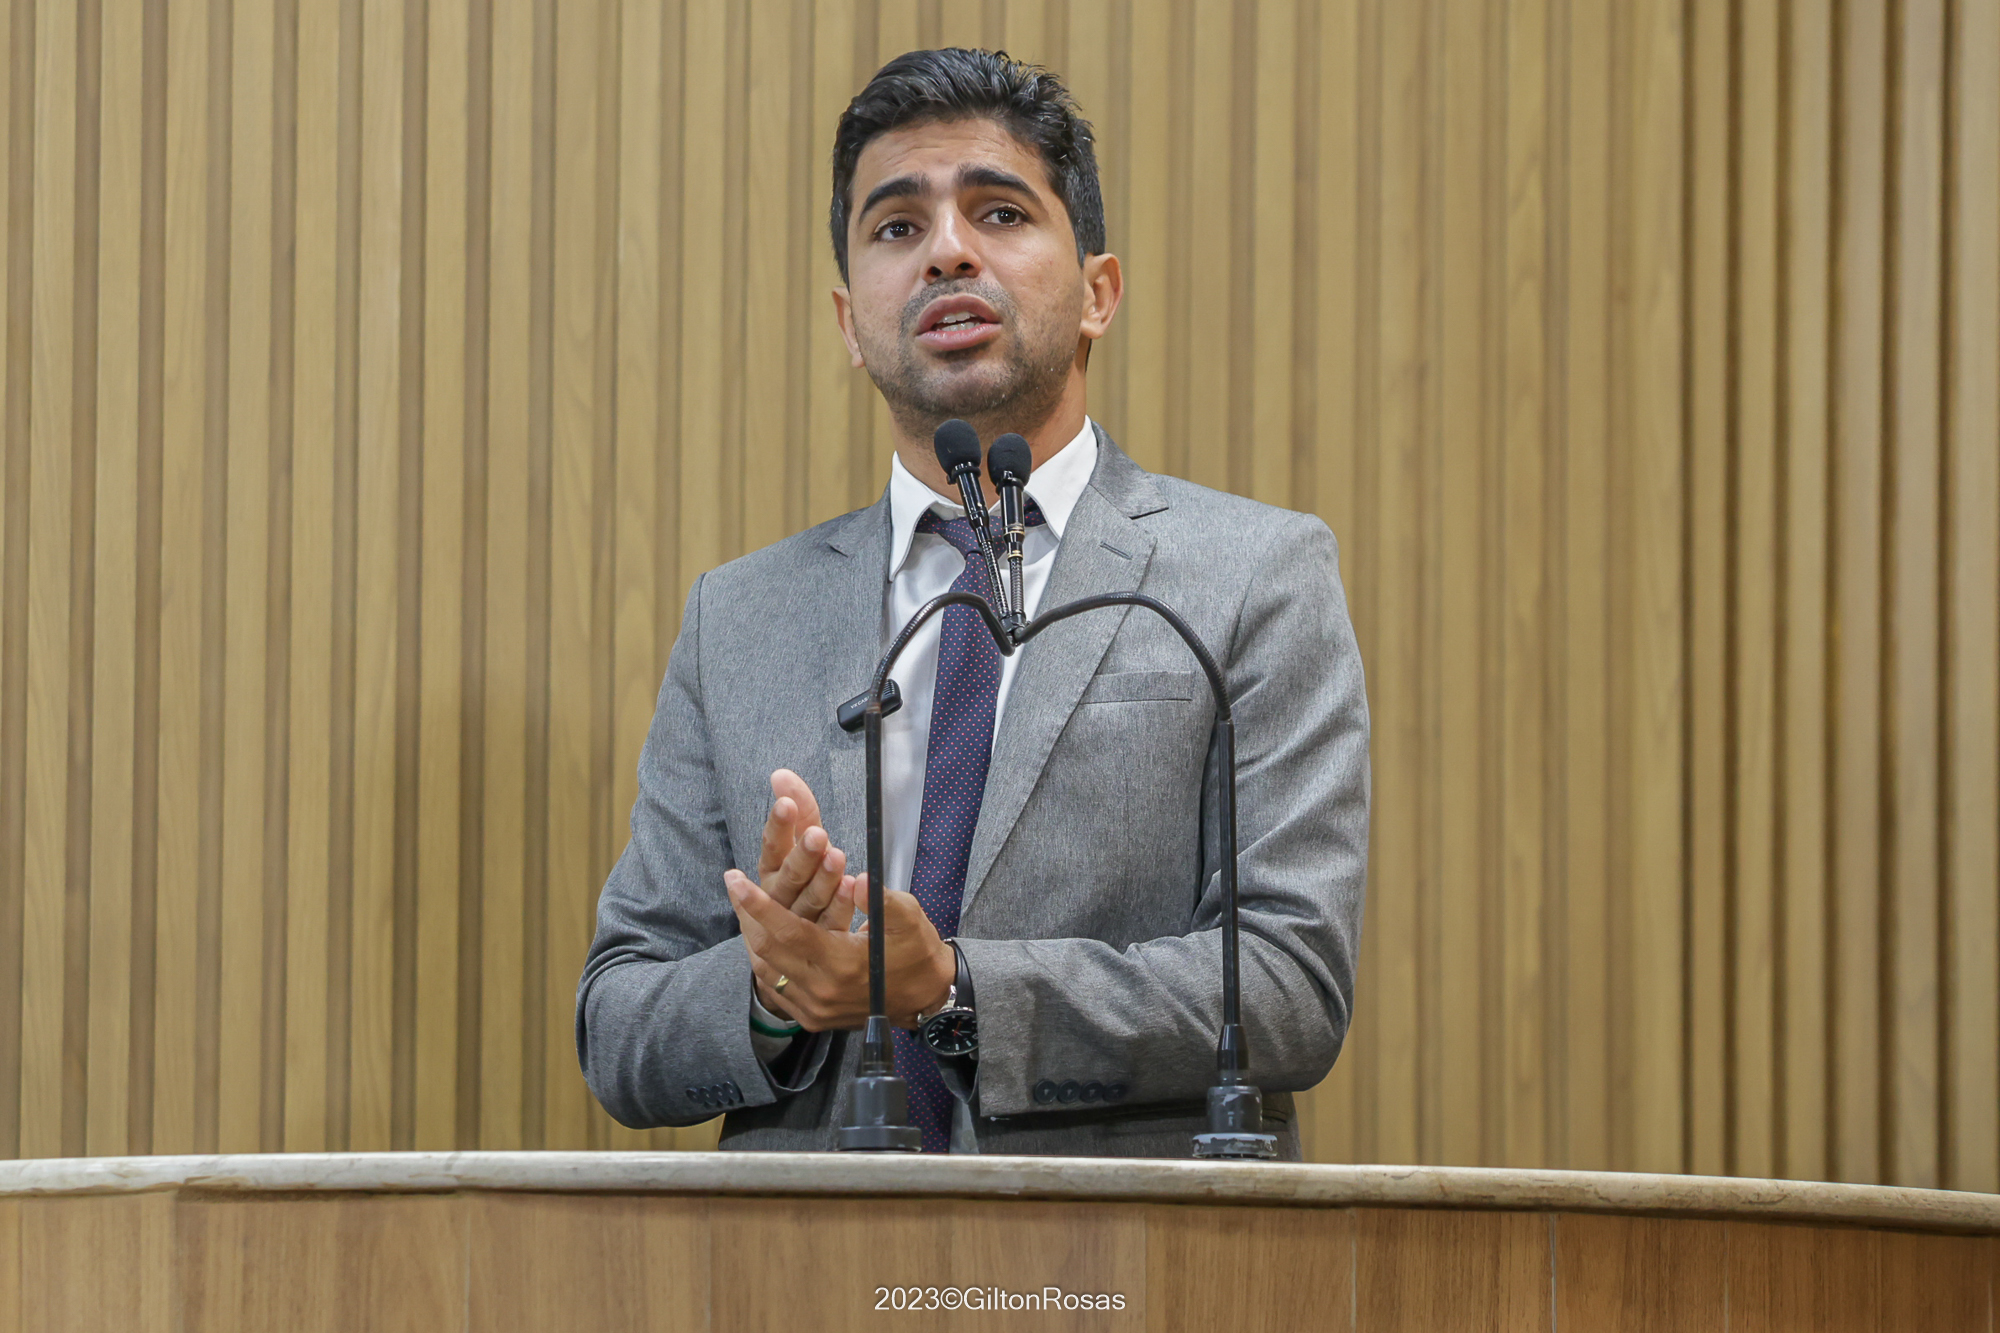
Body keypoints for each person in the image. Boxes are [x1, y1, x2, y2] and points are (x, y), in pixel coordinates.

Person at [575, 47, 1369, 1158]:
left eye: (999, 213)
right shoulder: (739, 619)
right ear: (851, 324)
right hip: (808, 1253)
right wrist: (774, 987)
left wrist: (952, 988)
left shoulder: (1252, 575)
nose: (947, 250)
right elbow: (618, 1020)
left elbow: (1289, 984)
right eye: (897, 227)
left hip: (1126, 1251)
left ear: (1097, 293)